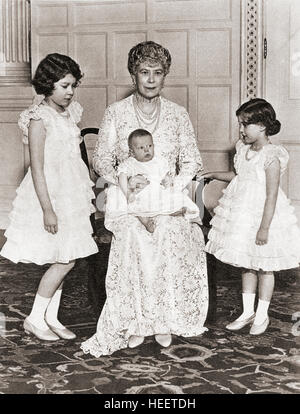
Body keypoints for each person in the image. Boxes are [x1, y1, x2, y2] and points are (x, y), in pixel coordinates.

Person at [80, 41, 208, 356]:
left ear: (165, 76)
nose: (150, 79)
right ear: (133, 74)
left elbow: (192, 160)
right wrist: (125, 184)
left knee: (167, 230)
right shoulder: (116, 112)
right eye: (144, 72)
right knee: (136, 236)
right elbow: (102, 161)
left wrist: (174, 184)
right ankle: (135, 321)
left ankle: (163, 319)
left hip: (165, 197)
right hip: (128, 199)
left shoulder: (178, 115)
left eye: (157, 73)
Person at [0, 53, 98, 341]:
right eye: (65, 86)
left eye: (73, 86)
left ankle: (50, 317)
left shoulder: (69, 112)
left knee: (67, 253)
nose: (70, 92)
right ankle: (34, 317)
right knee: (65, 259)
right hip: (51, 196)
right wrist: (47, 210)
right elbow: (37, 168)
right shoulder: (38, 118)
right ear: (48, 84)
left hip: (70, 193)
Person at [203, 98, 300, 335]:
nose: (241, 130)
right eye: (239, 124)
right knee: (246, 264)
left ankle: (263, 314)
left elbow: (271, 196)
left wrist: (264, 227)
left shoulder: (272, 156)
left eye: (245, 125)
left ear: (263, 126)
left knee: (265, 266)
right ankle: (248, 312)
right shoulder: (243, 150)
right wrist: (214, 174)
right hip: (243, 216)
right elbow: (239, 176)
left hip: (264, 217)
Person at [105, 128, 200, 233]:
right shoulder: (130, 163)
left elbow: (166, 175)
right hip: (140, 192)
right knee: (134, 204)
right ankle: (146, 222)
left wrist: (167, 180)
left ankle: (173, 211)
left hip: (156, 190)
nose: (146, 150)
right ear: (132, 152)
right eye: (141, 148)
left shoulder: (159, 161)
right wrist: (127, 193)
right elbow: (121, 178)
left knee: (172, 196)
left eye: (149, 146)